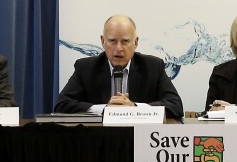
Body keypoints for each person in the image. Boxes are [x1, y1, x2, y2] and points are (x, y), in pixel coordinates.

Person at [54, 14, 183, 119]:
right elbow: (62, 105)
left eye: (125, 41)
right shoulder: (86, 68)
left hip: (140, 139)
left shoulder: (153, 66)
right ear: (103, 41)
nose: (118, 48)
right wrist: (105, 110)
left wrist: (135, 108)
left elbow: (176, 106)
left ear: (136, 42)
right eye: (112, 41)